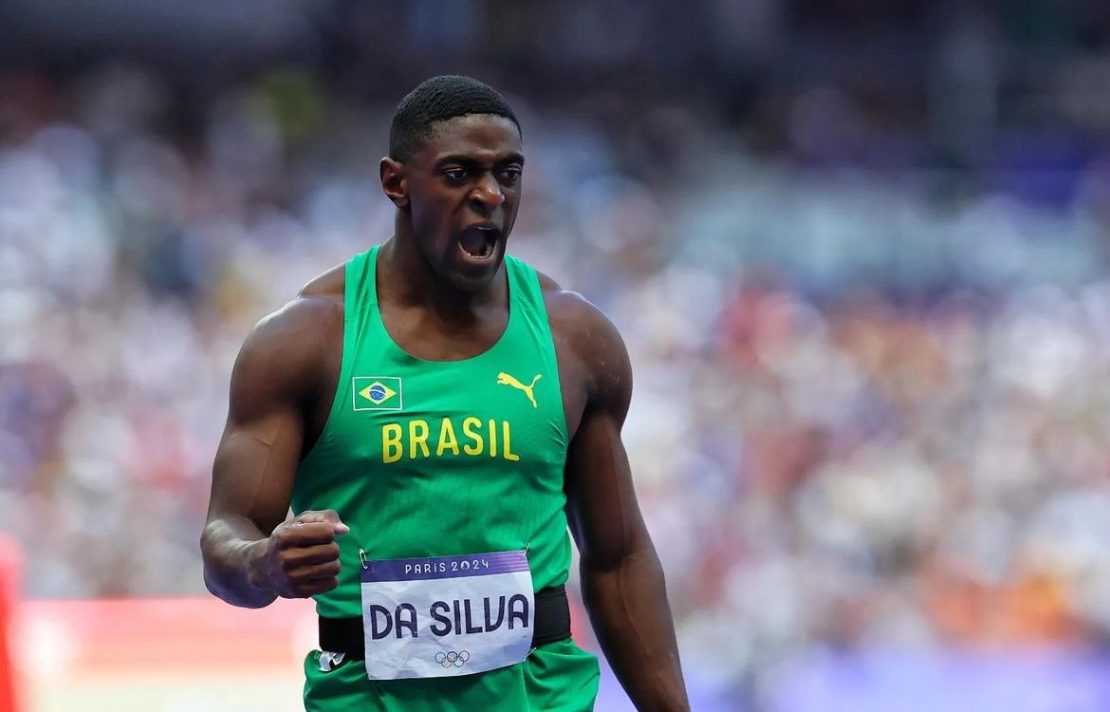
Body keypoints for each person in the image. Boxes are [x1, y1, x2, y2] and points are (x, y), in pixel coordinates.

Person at [200, 75, 689, 711]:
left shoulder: (576, 339)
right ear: (396, 182)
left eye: (507, 174)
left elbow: (617, 557)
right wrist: (263, 563)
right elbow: (225, 536)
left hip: (540, 697)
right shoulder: (305, 342)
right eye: (459, 174)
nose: (489, 195)